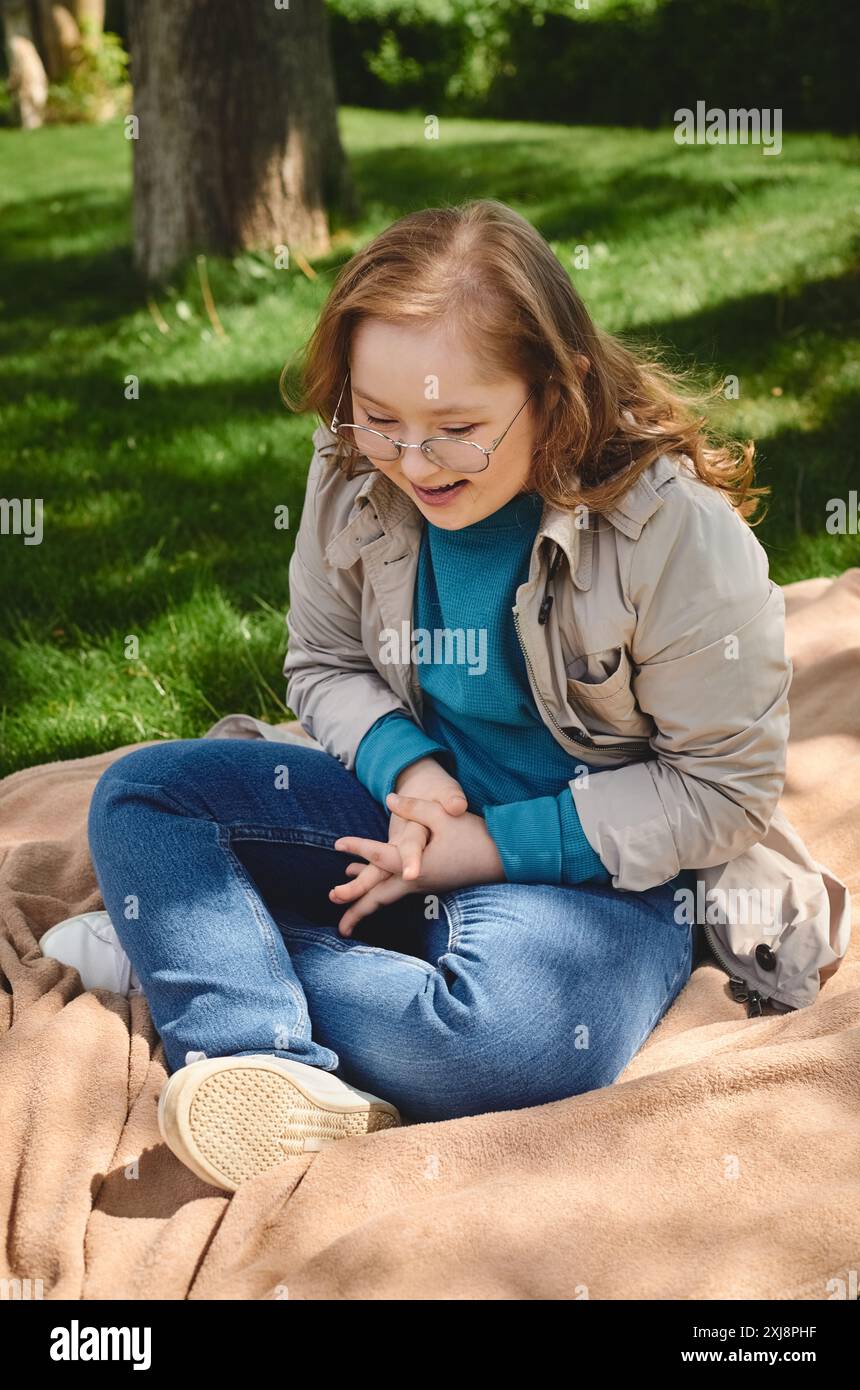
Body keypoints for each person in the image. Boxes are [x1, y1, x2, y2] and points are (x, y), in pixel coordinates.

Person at [82, 199, 791, 1193]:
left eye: (457, 429)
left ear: (557, 389)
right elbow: (324, 661)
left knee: (508, 1047)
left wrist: (488, 848)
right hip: (403, 812)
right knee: (142, 796)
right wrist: (407, 772)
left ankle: (192, 946)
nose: (411, 463)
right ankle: (265, 1059)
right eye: (380, 421)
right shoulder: (351, 465)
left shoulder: (676, 536)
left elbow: (724, 790)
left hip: (591, 870)